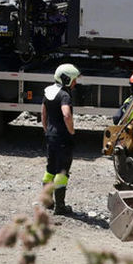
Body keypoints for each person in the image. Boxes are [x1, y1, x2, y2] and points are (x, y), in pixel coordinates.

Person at [42, 63, 80, 213]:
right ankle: (60, 207)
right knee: (62, 172)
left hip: (51, 136)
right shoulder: (65, 95)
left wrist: (46, 129)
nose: (75, 82)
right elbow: (66, 114)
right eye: (74, 79)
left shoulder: (48, 92)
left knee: (50, 169)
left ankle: (47, 202)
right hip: (63, 138)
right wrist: (71, 131)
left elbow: (43, 113)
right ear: (67, 79)